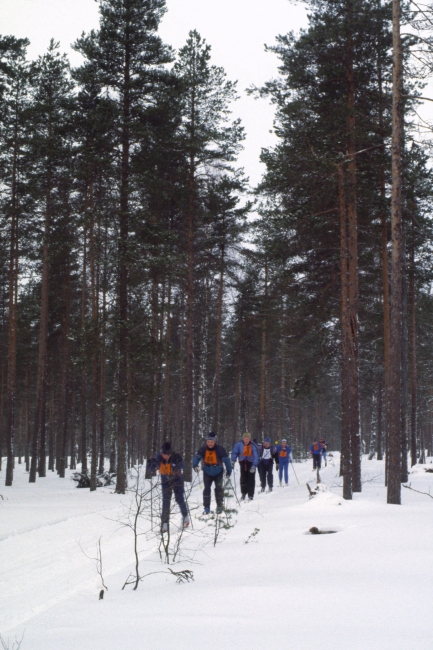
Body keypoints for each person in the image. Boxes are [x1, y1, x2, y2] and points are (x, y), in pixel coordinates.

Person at [150, 442, 190, 533]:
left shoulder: (176, 457)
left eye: (167, 455)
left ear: (170, 453)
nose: (165, 457)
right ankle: (164, 524)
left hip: (177, 480)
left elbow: (184, 465)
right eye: (164, 454)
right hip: (165, 481)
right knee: (166, 501)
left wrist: (179, 464)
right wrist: (152, 465)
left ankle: (185, 517)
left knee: (179, 499)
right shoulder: (158, 457)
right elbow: (151, 467)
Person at [193, 432, 232, 514]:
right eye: (208, 442)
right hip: (207, 472)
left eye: (212, 442)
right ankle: (206, 507)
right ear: (206, 442)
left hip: (218, 472)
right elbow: (197, 458)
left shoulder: (220, 449)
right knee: (206, 489)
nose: (210, 444)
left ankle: (219, 506)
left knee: (218, 489)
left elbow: (227, 461)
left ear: (215, 442)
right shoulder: (203, 449)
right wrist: (195, 465)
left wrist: (229, 471)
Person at [231, 432, 259, 501]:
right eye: (245, 439)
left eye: (247, 439)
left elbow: (256, 456)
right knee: (243, 478)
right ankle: (243, 493)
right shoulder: (239, 444)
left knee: (251, 479)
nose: (246, 440)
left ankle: (250, 495)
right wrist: (233, 460)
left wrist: (254, 466)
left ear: (250, 439)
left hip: (251, 463)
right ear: (243, 439)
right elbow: (234, 452)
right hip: (242, 462)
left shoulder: (253, 446)